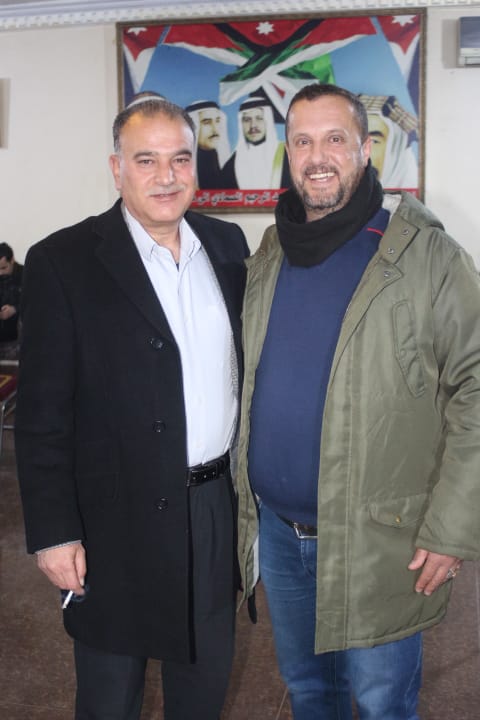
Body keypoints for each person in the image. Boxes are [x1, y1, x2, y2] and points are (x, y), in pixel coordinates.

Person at [236, 82, 480, 719]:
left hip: (381, 540)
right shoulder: (270, 255)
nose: (317, 156)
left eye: (334, 139)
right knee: (309, 694)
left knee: (380, 705)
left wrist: (453, 527)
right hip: (280, 533)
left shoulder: (426, 257)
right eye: (303, 141)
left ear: (366, 149)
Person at [15, 94, 249, 720]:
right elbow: (41, 417)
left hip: (211, 508)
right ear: (117, 169)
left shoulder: (228, 246)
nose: (166, 176)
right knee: (110, 697)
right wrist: (54, 532)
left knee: (203, 685)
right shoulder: (62, 261)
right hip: (112, 520)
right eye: (146, 160)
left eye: (179, 159)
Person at [221, 96, 290, 189]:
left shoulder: (288, 155)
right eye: (247, 120)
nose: (253, 125)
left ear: (268, 121)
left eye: (259, 118)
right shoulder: (231, 165)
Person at [359, 93, 418, 191]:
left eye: (374, 141)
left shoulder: (408, 199)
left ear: (395, 148)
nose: (362, 153)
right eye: (357, 141)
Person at [186, 99, 231, 189]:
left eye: (217, 121)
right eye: (207, 122)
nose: (215, 129)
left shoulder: (230, 163)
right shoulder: (183, 165)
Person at [0, 242, 23, 360]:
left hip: (17, 334)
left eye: (4, 268)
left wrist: (14, 309)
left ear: (12, 260)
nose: (0, 273)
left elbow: (34, 302)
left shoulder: (25, 275)